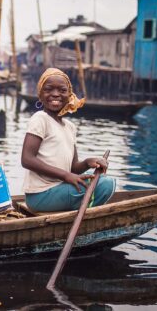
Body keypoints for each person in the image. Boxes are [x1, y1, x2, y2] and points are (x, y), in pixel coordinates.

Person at [21, 68, 115, 212]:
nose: (55, 94)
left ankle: (78, 212)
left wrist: (88, 162)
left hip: (59, 189)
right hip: (40, 195)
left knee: (103, 181)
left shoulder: (70, 127)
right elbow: (27, 159)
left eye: (62, 90)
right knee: (105, 184)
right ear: (40, 95)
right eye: (48, 89)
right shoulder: (40, 118)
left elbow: (73, 169)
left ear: (69, 95)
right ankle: (82, 213)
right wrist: (66, 176)